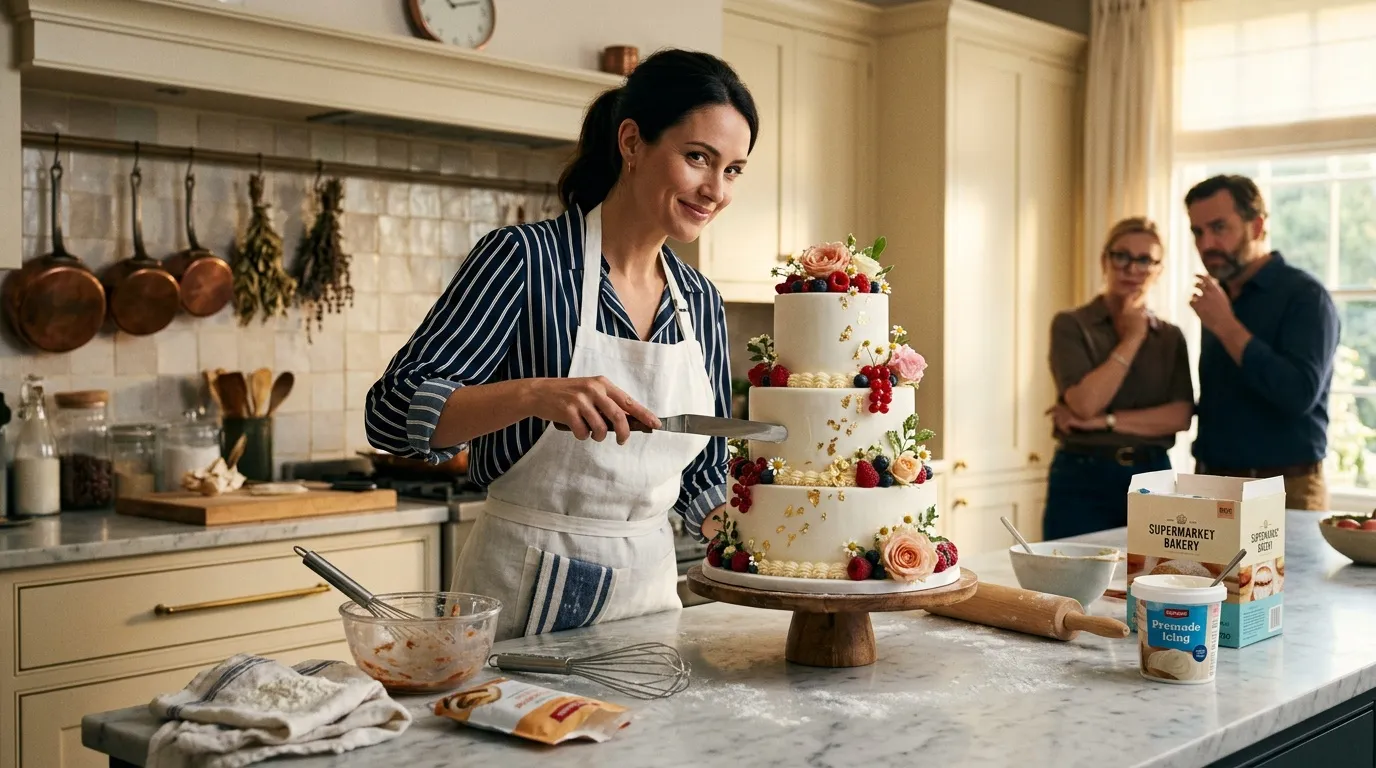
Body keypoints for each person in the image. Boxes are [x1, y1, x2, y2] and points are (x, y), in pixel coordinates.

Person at [364, 49, 757, 640]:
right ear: (632, 142)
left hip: (647, 600)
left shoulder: (699, 299)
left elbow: (701, 467)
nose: (715, 190)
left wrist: (751, 540)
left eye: (732, 170)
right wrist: (533, 395)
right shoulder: (523, 259)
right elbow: (391, 414)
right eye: (697, 157)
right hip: (522, 588)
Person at [1185, 174, 1341, 510]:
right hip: (1211, 487)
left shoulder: (1305, 297)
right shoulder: (1218, 297)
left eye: (1219, 228)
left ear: (1256, 226)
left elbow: (1298, 394)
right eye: (1198, 232)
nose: (1206, 244)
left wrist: (1226, 326)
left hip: (1286, 490)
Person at [1043, 217, 1195, 540]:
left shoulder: (1170, 337)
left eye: (1144, 260)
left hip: (1152, 474)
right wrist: (1133, 337)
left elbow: (1180, 417)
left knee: (1156, 575)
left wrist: (1104, 422)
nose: (1131, 268)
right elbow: (1084, 404)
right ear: (1105, 260)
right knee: (1070, 582)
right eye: (1122, 256)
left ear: (1158, 269)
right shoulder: (1071, 325)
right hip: (1082, 474)